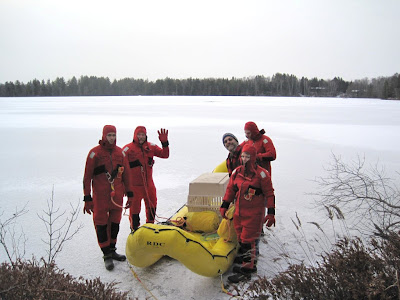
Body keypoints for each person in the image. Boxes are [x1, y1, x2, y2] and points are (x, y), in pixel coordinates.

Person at [220, 144, 275, 283]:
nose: (244, 159)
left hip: (254, 214)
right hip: (239, 212)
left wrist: (271, 212)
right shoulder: (237, 172)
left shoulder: (262, 174)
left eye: (247, 156)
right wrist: (224, 205)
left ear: (253, 157)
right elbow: (230, 189)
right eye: (243, 156)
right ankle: (248, 260)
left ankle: (247, 270)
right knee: (241, 238)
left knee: (249, 241)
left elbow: (269, 194)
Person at [83, 125, 134, 271]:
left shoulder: (120, 153)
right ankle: (106, 254)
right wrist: (87, 198)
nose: (112, 138)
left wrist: (130, 194)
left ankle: (112, 249)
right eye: (109, 135)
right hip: (100, 197)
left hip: (117, 196)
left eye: (113, 135)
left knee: (115, 223)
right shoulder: (94, 154)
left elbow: (127, 175)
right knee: (101, 224)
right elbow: (87, 177)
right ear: (104, 136)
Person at [122, 126, 169, 231]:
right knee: (134, 210)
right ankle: (134, 230)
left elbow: (165, 155)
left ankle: (150, 228)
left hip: (148, 184)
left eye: (143, 135)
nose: (141, 137)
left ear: (146, 135)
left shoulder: (151, 147)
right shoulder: (127, 149)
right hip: (135, 186)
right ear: (135, 135)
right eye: (139, 135)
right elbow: (120, 167)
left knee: (152, 205)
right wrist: (123, 186)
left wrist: (165, 143)